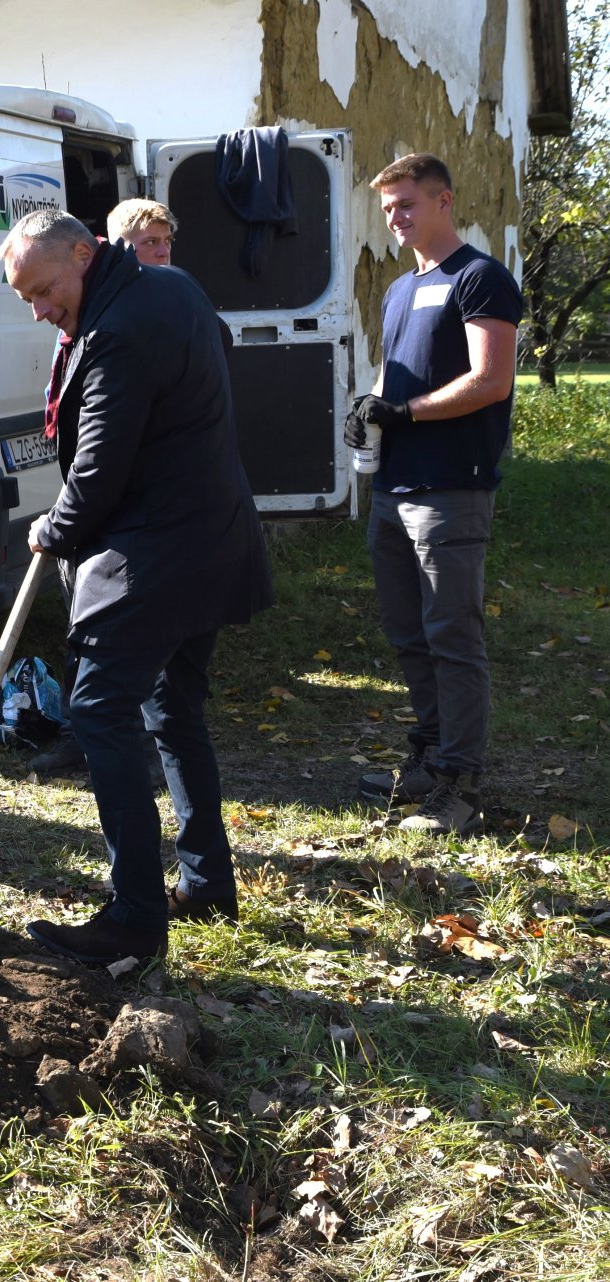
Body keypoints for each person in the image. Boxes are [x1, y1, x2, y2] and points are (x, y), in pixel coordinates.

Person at [0, 209, 272, 967]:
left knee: (95, 708)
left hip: (160, 554)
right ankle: (208, 881)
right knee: (171, 708)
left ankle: (134, 919)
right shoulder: (173, 288)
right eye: (26, 297)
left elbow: (99, 471)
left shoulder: (119, 331)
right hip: (208, 537)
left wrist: (54, 527)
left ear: (85, 255)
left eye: (45, 290)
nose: (39, 309)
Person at [347, 154, 520, 836]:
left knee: (452, 635)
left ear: (444, 201)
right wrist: (374, 405)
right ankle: (427, 755)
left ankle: (459, 783)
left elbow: (490, 380)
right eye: (388, 208)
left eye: (407, 205)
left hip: (452, 486)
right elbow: (397, 371)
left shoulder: (481, 278)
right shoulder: (400, 289)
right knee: (409, 633)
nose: (396, 218)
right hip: (395, 485)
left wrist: (408, 412)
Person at [28, 198, 183, 780]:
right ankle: (82, 732)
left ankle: (124, 743)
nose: (160, 253)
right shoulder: (85, 314)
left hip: (139, 521)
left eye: (166, 242)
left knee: (139, 654)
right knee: (82, 622)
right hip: (95, 509)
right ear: (112, 247)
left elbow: (114, 449)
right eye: (149, 243)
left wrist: (59, 523)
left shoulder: (141, 319)